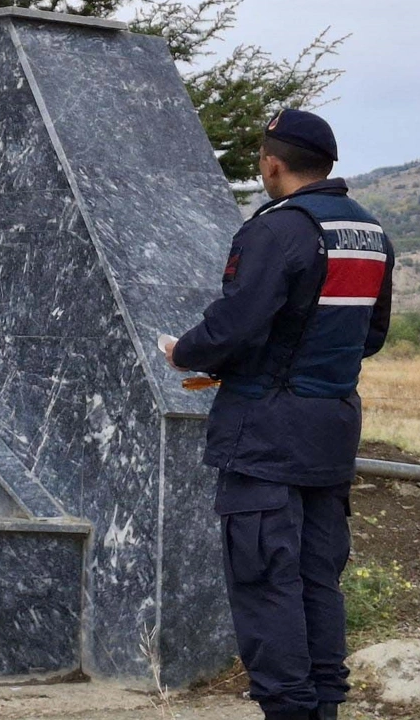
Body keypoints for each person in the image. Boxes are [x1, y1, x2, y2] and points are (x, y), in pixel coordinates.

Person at [165, 109, 393, 720]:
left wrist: (184, 353)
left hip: (265, 434)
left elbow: (235, 325)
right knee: (319, 579)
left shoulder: (278, 229)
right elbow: (368, 337)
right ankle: (323, 708)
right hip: (331, 432)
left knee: (266, 580)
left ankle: (289, 711)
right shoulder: (370, 232)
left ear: (272, 163)